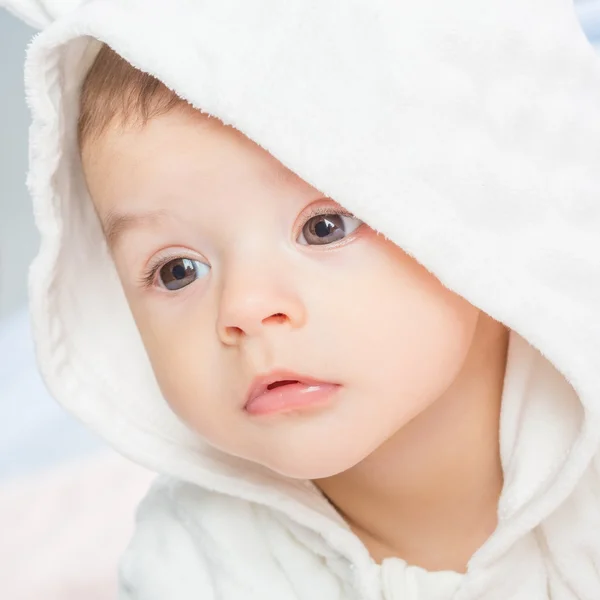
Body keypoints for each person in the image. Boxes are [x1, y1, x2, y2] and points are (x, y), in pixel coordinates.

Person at [3, 0, 600, 598]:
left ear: (475, 203)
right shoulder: (198, 560)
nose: (243, 308)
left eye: (324, 228)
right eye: (179, 270)